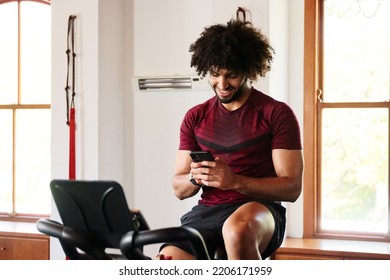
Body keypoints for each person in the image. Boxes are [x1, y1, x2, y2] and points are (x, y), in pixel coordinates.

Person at [159, 19, 303, 260]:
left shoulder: (276, 113)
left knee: (236, 231)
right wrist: (196, 177)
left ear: (248, 70)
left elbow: (291, 188)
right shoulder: (196, 116)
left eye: (232, 75)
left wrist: (234, 181)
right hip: (207, 213)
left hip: (260, 210)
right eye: (215, 74)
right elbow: (179, 188)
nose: (222, 84)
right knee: (167, 261)